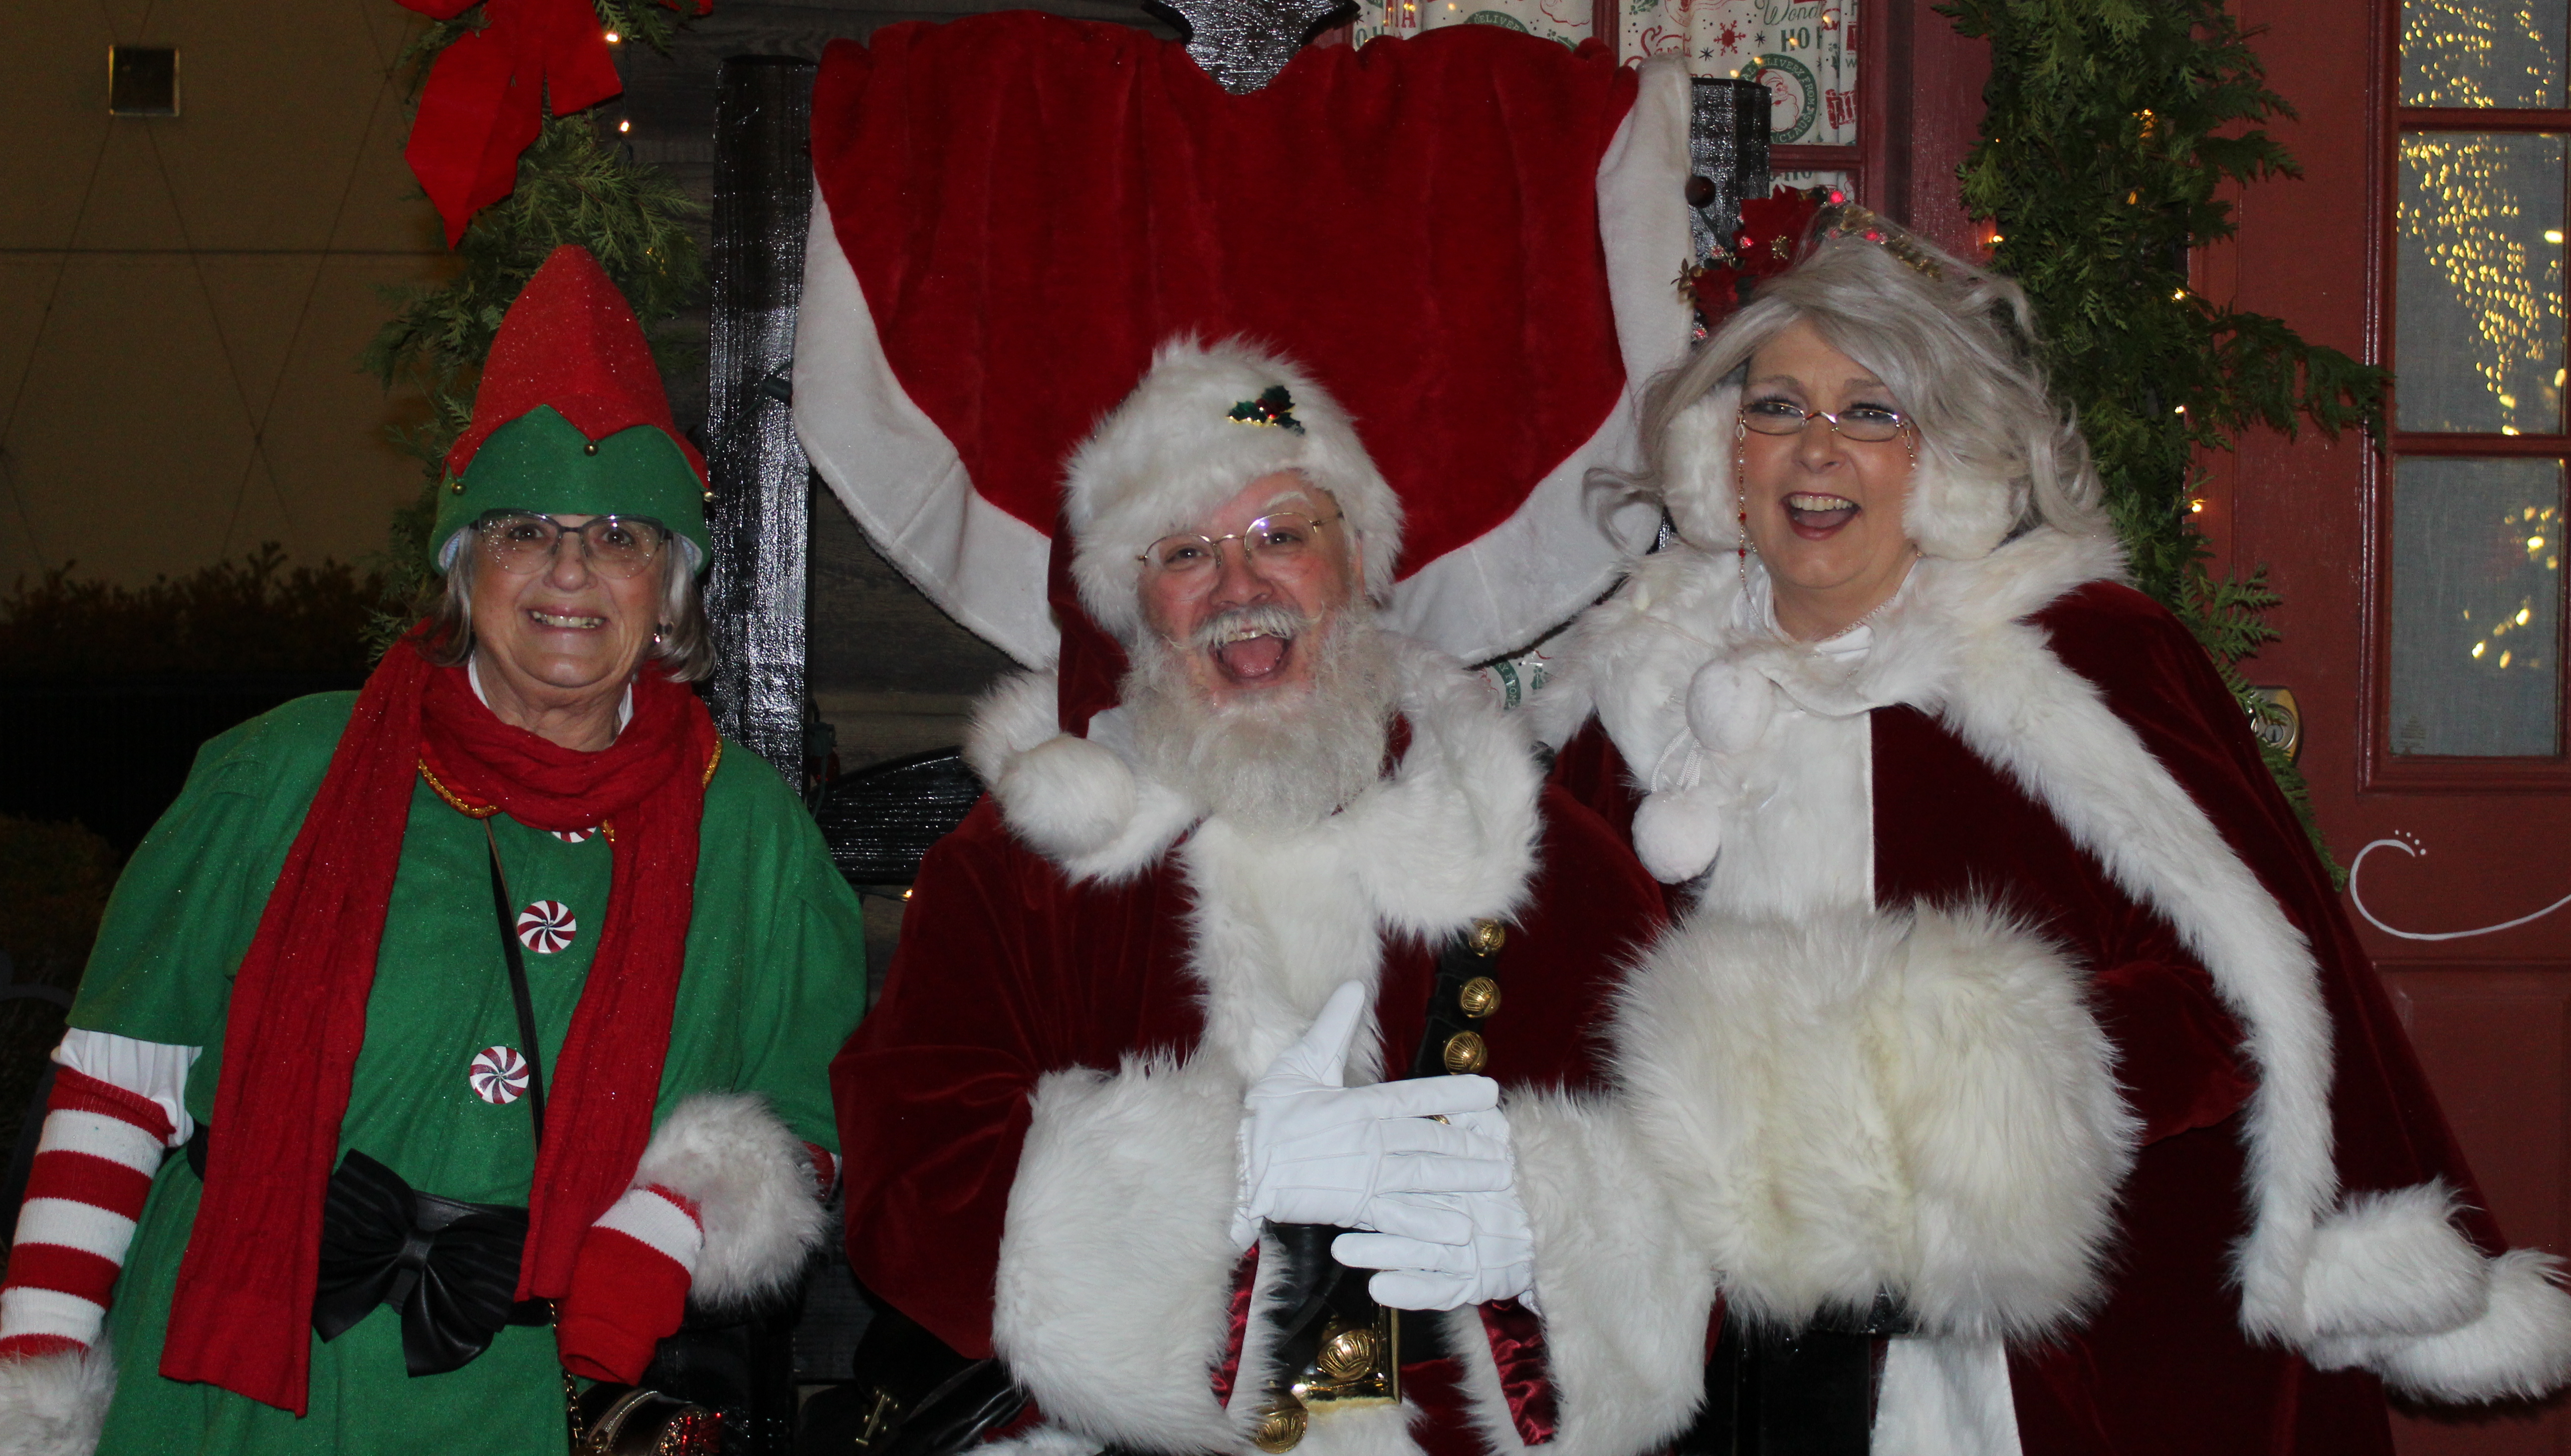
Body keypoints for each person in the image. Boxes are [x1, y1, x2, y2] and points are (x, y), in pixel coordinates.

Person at [1536, 197, 2571, 1453]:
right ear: (1723, 457)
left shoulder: (2080, 664)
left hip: (2045, 1354)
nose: (1817, 452)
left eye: (1874, 413)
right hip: (1729, 1359)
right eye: (1776, 409)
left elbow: (2243, 987)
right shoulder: (1635, 695)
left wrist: (1975, 1085)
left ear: (1953, 460)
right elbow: (1550, 1010)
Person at [0, 246, 864, 1455]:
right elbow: (116, 1087)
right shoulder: (279, 776)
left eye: (618, 535)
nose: (569, 570)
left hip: (528, 1405)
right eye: (523, 531)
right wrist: (34, 1395)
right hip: (231, 1390)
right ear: (464, 569)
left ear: (670, 590)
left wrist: (664, 1220)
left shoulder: (752, 836)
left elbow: (803, 1117)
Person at [831, 339, 1705, 1456]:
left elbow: (1690, 1181)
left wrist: (1558, 1228)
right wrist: (1214, 1183)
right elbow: (910, 1192)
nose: (1241, 592)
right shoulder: (1024, 874)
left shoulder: (1540, 854)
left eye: (1281, 537)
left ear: (1356, 565)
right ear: (1137, 606)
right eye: (1187, 552)